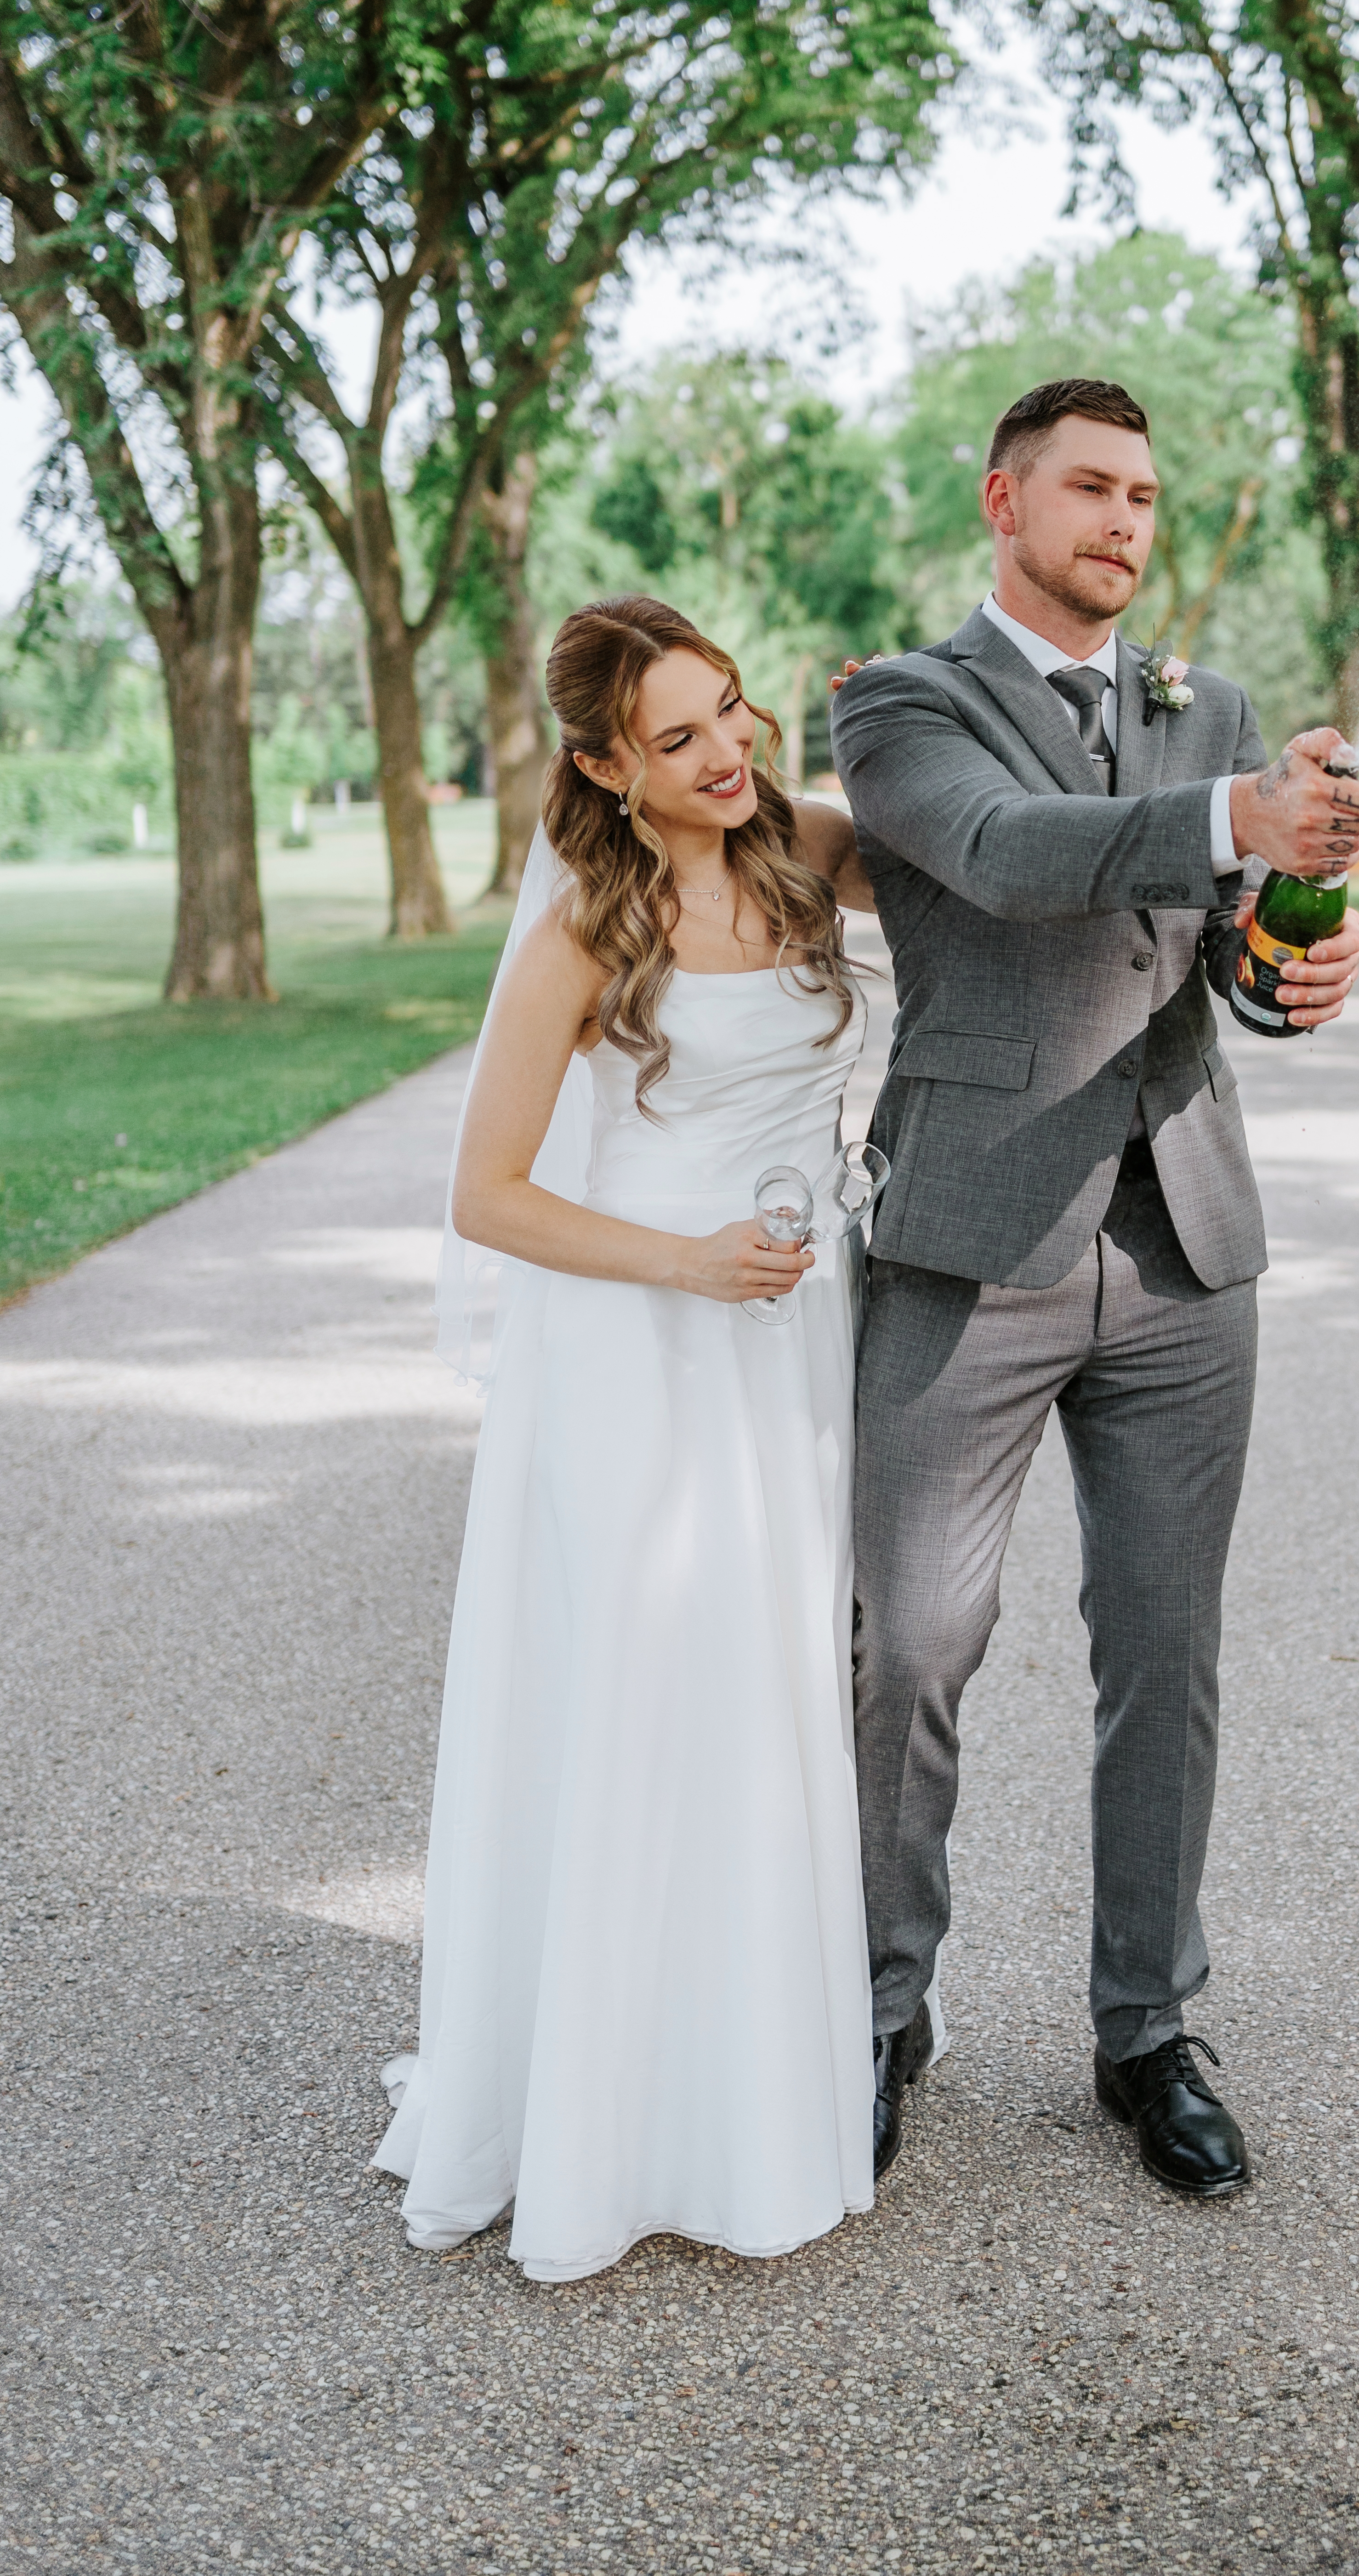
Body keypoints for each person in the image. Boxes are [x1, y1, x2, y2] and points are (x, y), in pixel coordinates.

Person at [830, 375, 1359, 2199]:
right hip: (964, 1240)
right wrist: (1236, 808)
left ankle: (1147, 2031)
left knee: (1165, 1649)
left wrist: (1293, 963)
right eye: (1088, 486)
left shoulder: (1200, 703)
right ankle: (879, 2009)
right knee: (908, 1642)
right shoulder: (900, 702)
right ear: (1003, 498)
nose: (1125, 520)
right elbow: (1002, 855)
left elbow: (1214, 950)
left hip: (1182, 1246)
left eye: (1145, 493)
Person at [374, 594, 894, 2280]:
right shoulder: (586, 936)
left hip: (795, 1338)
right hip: (647, 1343)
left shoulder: (804, 849)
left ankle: (745, 2094)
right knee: (650, 1707)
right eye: (680, 738)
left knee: (769, 1706)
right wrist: (685, 1262)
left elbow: (980, 855)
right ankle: (608, 2120)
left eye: (733, 710)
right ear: (606, 765)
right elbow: (486, 1194)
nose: (728, 751)